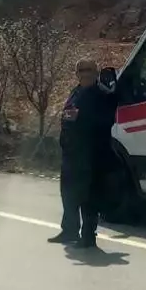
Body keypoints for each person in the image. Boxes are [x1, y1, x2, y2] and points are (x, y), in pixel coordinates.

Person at [49, 58, 116, 249]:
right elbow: (68, 117)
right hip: (71, 153)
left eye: (89, 70)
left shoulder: (102, 95)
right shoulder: (75, 92)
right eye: (81, 71)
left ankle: (88, 236)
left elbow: (104, 124)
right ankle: (69, 229)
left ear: (95, 73)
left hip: (91, 155)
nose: (85, 74)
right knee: (68, 194)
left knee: (88, 197)